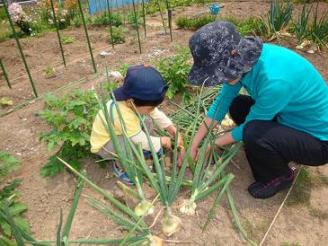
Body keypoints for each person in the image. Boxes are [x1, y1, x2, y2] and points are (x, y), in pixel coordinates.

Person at [187, 21, 328, 199]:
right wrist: (194, 144)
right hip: (289, 118)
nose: (220, 79)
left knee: (253, 132)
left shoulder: (275, 80)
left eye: (219, 74)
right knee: (237, 104)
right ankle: (278, 148)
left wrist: (210, 146)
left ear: (233, 57)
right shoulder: (243, 62)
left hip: (318, 141)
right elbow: (221, 103)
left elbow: (249, 127)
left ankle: (281, 176)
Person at [90, 64, 183, 184]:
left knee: (147, 119)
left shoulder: (134, 100)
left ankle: (142, 151)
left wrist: (172, 130)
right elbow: (139, 139)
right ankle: (123, 167)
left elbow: (155, 113)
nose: (152, 110)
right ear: (131, 102)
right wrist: (161, 141)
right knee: (129, 143)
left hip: (123, 133)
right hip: (106, 145)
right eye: (150, 108)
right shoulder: (121, 113)